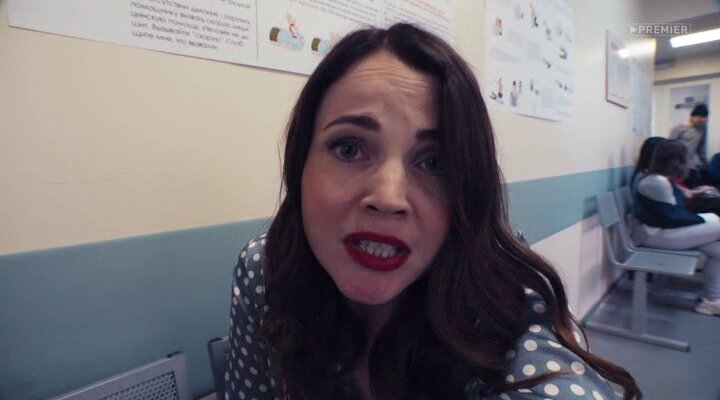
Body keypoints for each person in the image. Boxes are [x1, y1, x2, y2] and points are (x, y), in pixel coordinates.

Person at [225, 24, 640, 400]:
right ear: (300, 164)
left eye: (434, 162)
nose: (388, 198)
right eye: (349, 149)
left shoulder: (509, 312)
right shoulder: (268, 269)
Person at [630, 140, 720, 316]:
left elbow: (673, 214)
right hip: (655, 235)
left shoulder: (659, 179)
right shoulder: (657, 182)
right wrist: (704, 221)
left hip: (662, 231)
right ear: (676, 161)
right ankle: (711, 300)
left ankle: (711, 300)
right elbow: (672, 217)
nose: (688, 162)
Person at [669, 104, 709, 170]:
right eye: (700, 117)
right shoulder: (678, 128)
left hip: (690, 165)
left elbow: (700, 149)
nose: (702, 120)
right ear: (693, 115)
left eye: (704, 117)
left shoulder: (702, 129)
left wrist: (706, 163)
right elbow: (669, 147)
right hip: (677, 164)